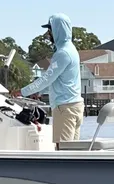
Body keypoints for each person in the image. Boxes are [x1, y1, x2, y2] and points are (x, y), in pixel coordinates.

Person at [13, 13, 84, 145]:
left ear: (57, 30)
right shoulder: (71, 49)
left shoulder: (63, 53)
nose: (48, 33)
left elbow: (46, 79)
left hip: (65, 109)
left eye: (50, 29)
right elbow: (54, 78)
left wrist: (22, 92)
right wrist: (38, 93)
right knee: (73, 151)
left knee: (62, 151)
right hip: (75, 106)